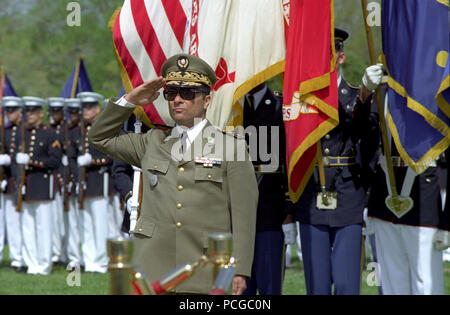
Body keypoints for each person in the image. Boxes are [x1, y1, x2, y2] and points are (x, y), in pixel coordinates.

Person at [88, 53, 258, 294]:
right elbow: (99, 137)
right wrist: (130, 100)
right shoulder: (152, 142)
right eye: (171, 94)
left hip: (204, 266)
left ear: (206, 100)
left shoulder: (232, 147)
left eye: (187, 94)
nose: (178, 100)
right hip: (152, 265)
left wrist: (238, 268)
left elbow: (244, 216)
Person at [285, 28, 383, 294]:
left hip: (348, 195)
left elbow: (363, 129)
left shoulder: (359, 95)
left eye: (329, 54)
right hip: (310, 195)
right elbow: (290, 150)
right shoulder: (302, 102)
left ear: (341, 57)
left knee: (346, 284)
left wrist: (364, 93)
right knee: (316, 286)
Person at [367, 132, 449, 294]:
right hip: (384, 200)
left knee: (426, 284)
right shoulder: (381, 105)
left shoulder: (436, 106)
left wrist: (448, 223)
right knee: (392, 283)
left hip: (424, 204)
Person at [241, 83, 289, 295]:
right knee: (240, 288)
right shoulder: (231, 106)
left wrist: (289, 207)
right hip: (236, 209)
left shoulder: (281, 105)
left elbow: (289, 160)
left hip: (270, 208)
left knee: (269, 286)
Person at [17, 96, 62, 275]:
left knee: (44, 228)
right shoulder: (23, 134)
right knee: (27, 227)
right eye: (28, 112)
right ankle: (31, 263)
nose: (30, 115)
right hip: (25, 186)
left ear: (41, 114)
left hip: (43, 186)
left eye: (33, 112)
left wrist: (32, 161)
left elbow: (55, 161)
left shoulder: (50, 134)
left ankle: (44, 265)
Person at [75, 91, 113, 274]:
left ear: (97, 109)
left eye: (89, 107)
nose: (85, 111)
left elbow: (110, 155)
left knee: (100, 225)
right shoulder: (80, 129)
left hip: (100, 180)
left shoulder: (102, 127)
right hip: (85, 183)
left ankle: (101, 260)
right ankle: (89, 260)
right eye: (83, 107)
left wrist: (92, 160)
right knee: (86, 224)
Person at [0, 96, 25, 271]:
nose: (9, 114)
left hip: (17, 182)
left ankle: (18, 258)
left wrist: (12, 161)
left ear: (19, 112)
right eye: (7, 111)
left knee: (17, 222)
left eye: (12, 110)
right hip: (5, 183)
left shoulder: (24, 131)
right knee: (5, 222)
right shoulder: (5, 131)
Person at [47, 97, 68, 265]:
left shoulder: (67, 129)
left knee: (67, 220)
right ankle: (56, 252)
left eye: (58, 112)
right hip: (54, 178)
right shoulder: (48, 130)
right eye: (53, 112)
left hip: (67, 177)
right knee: (54, 218)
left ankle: (65, 252)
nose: (55, 115)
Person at [63, 97, 84, 268]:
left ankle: (86, 258)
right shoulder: (68, 131)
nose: (72, 116)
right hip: (69, 183)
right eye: (70, 113)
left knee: (84, 223)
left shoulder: (80, 131)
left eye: (75, 113)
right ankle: (74, 257)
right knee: (72, 224)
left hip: (86, 183)